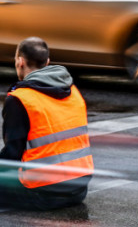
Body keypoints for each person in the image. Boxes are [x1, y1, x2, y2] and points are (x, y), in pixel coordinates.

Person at [0, 37, 93, 210]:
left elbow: (12, 154)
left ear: (20, 62)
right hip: (79, 189)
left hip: (44, 192)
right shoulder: (73, 91)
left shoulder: (21, 99)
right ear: (47, 61)